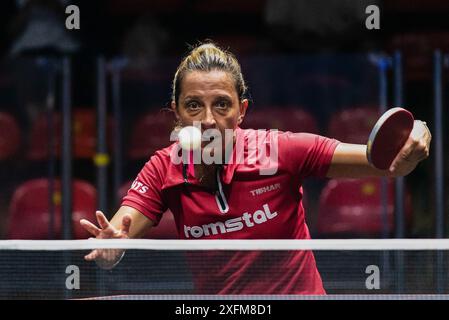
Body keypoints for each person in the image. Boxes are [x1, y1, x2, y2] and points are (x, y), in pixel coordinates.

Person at [80, 42, 431, 294]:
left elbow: (382, 162)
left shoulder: (280, 150)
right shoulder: (163, 169)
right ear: (175, 112)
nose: (207, 120)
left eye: (221, 105)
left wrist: (417, 132)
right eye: (192, 105)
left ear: (242, 110)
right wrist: (112, 248)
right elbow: (118, 235)